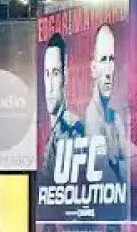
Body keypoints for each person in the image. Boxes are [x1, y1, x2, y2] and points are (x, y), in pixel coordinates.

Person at [83, 23, 126, 186]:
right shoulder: (92, 118)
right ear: (93, 68)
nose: (108, 71)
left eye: (111, 59)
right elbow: (104, 179)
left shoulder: (115, 119)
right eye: (103, 60)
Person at [40, 31, 84, 182]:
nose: (50, 85)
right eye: (47, 74)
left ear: (65, 77)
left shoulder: (74, 131)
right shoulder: (52, 136)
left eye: (55, 73)